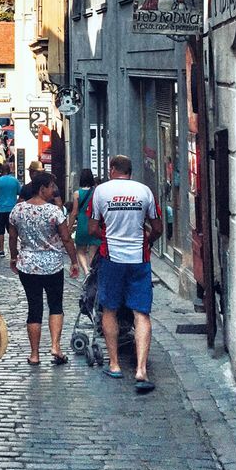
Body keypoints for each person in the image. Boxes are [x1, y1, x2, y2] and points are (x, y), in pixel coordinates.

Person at [88, 154, 162, 394]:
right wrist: (146, 240)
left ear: (112, 169)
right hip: (139, 258)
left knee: (109, 309)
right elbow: (158, 227)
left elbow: (92, 228)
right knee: (142, 313)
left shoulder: (101, 192)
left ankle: (115, 364)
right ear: (131, 171)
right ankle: (141, 370)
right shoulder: (145, 191)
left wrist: (108, 238)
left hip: (112, 258)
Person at [8, 171, 78, 366]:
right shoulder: (55, 212)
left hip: (28, 264)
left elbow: (12, 237)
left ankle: (34, 354)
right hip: (53, 265)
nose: (53, 190)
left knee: (34, 307)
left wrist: (14, 257)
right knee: (55, 305)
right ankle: (55, 346)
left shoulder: (18, 210)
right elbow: (66, 238)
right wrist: (74, 261)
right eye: (51, 187)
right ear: (42, 188)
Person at [69, 168, 102, 277]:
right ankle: (93, 273)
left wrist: (69, 228)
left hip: (82, 223)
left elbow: (74, 213)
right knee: (93, 251)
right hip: (94, 222)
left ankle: (86, 271)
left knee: (80, 250)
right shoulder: (96, 192)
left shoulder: (77, 194)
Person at [0, 165, 21, 257]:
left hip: (1, 209)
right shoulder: (15, 181)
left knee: (0, 230)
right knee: (12, 231)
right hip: (12, 209)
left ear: (1, 171)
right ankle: (14, 250)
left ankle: (1, 250)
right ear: (9, 170)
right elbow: (19, 192)